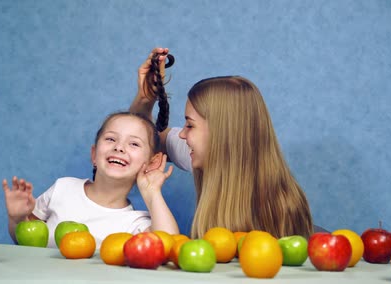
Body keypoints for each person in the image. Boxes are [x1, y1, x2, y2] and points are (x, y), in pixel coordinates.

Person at [130, 48, 315, 239]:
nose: (182, 134)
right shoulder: (206, 154)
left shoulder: (283, 207)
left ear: (220, 134)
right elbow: (146, 140)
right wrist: (145, 99)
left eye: (190, 125)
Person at [2, 111, 179, 248]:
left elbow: (168, 243)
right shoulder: (62, 188)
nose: (119, 147)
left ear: (151, 163)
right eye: (110, 139)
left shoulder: (135, 223)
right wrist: (17, 219)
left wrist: (152, 192)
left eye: (134, 144)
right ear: (94, 155)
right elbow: (24, 242)